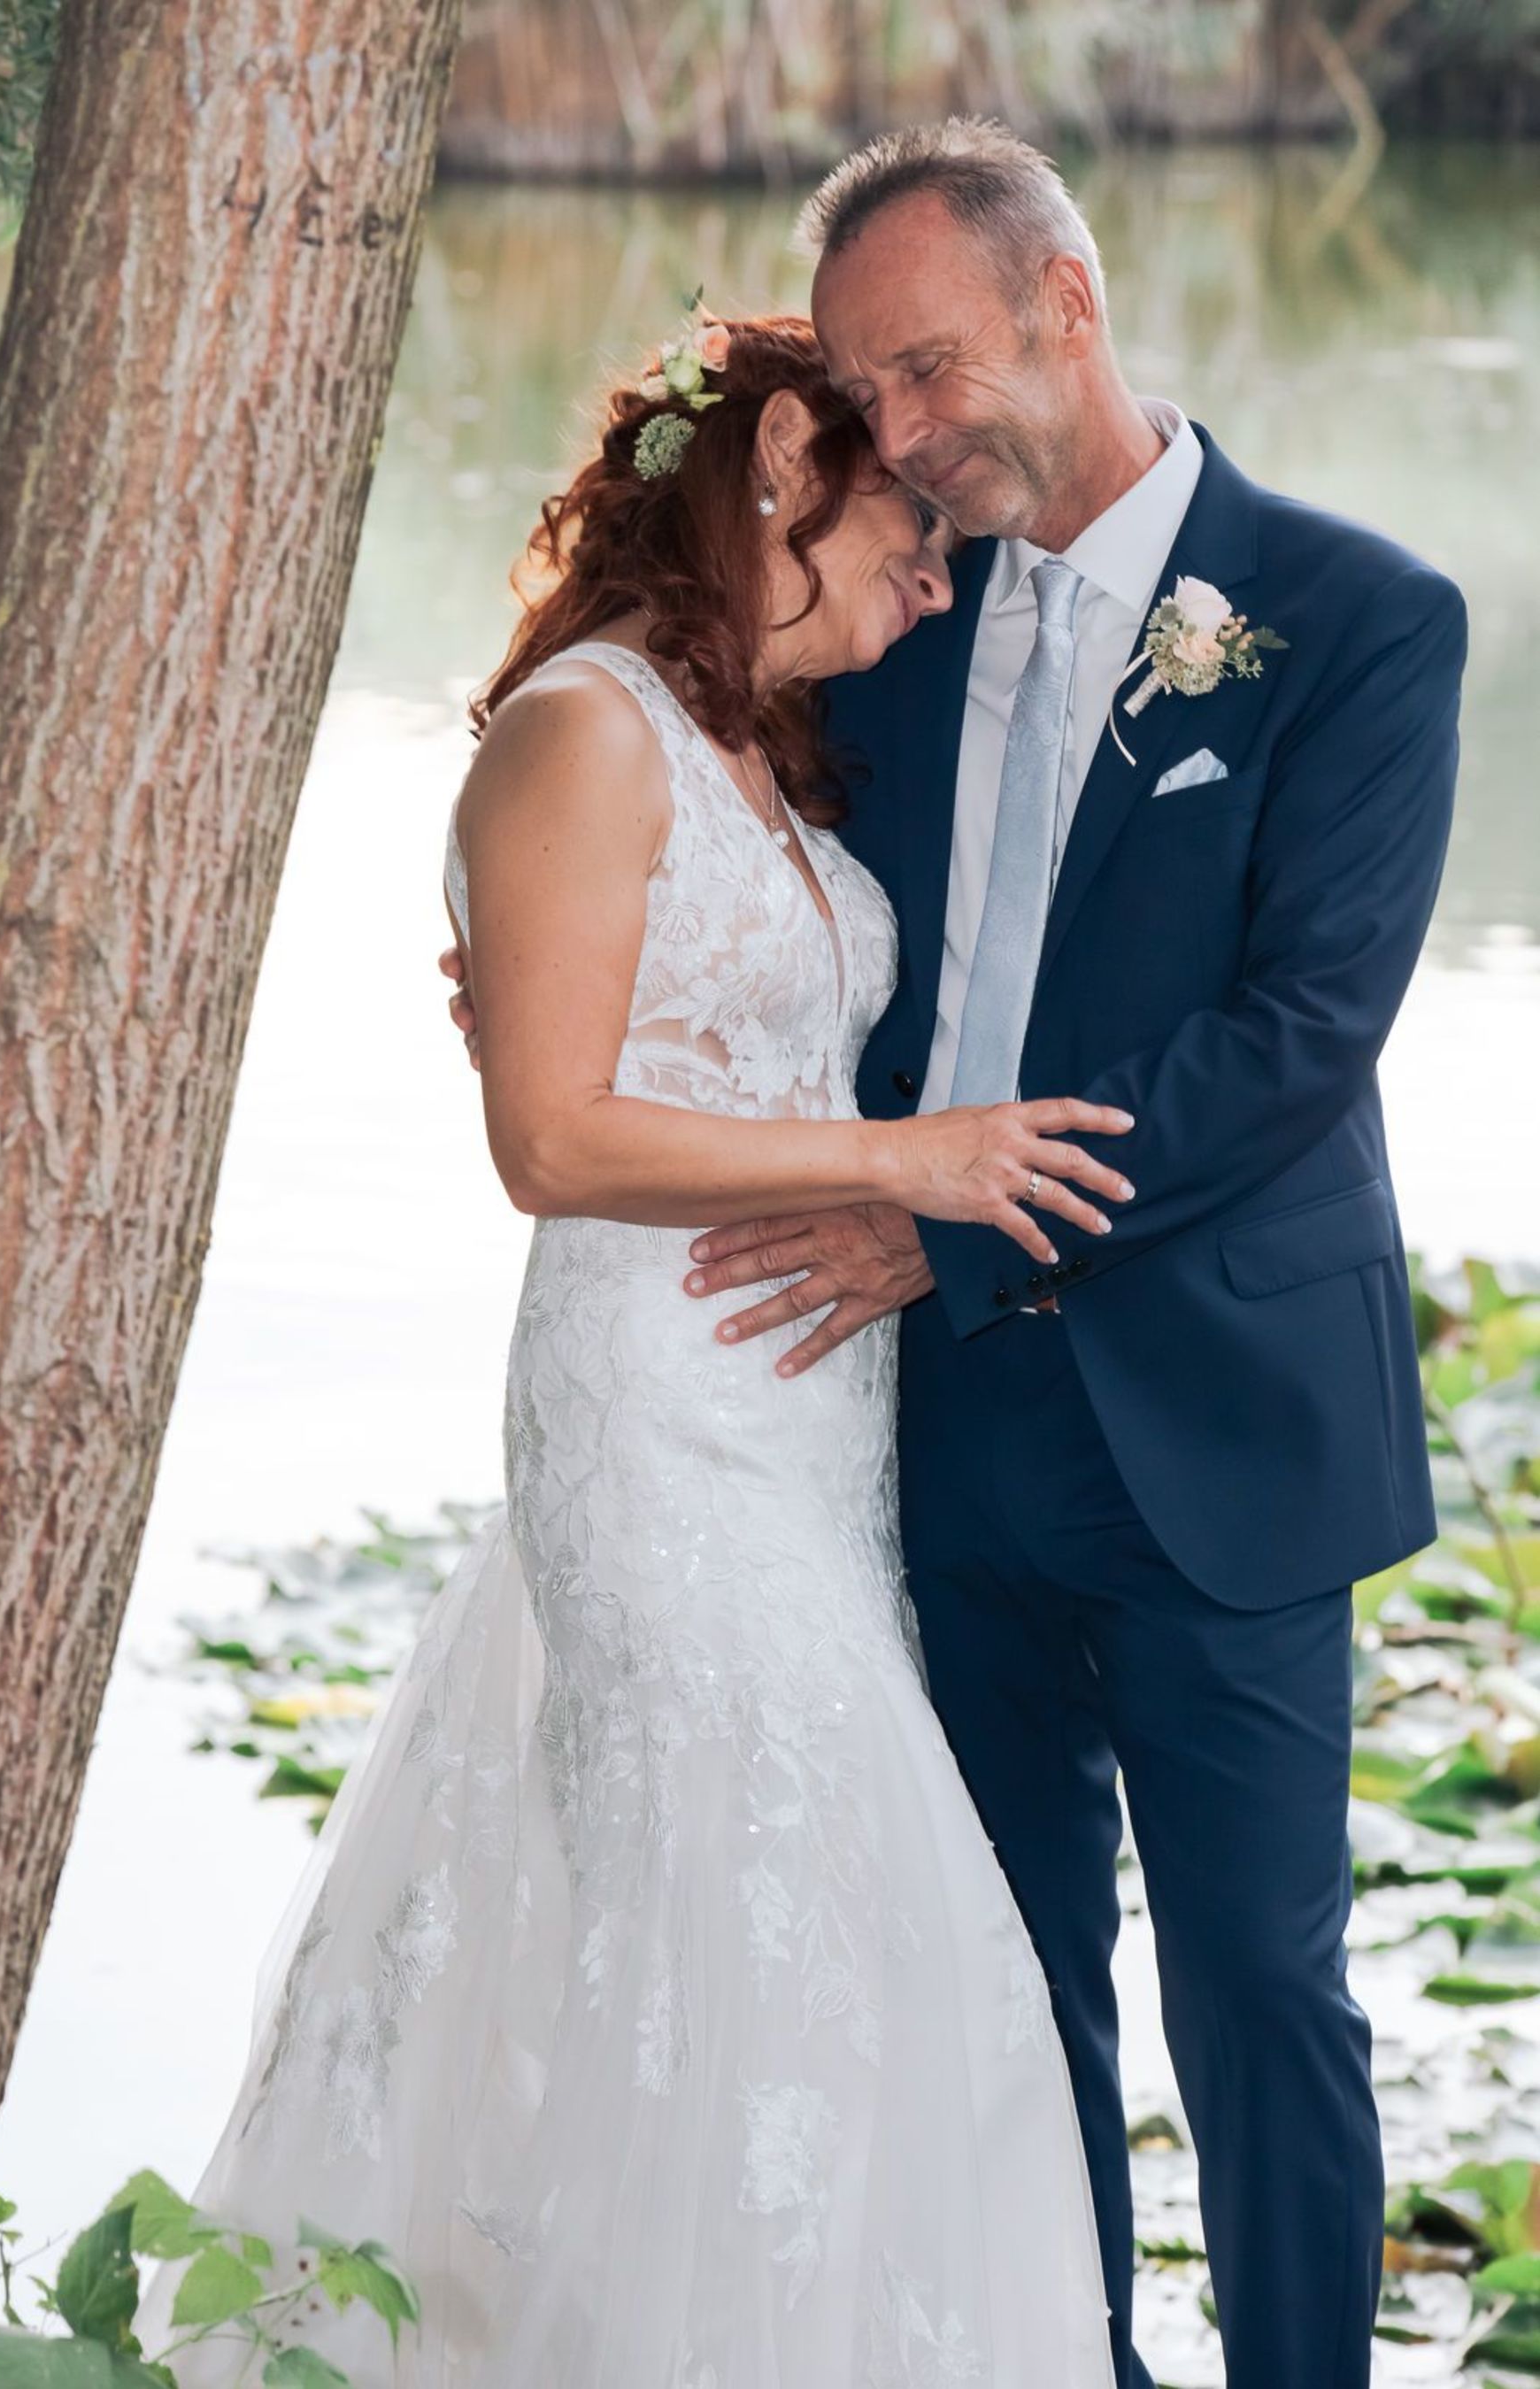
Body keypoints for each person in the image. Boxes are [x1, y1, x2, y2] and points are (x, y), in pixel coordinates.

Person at [495, 119, 1459, 2389]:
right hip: (923, 1441)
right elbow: (651, 801)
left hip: (1218, 1421)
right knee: (1004, 1995)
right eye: (868, 395)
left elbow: (1298, 1041)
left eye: (932, 371)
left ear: (1068, 305)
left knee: (1265, 1994)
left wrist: (949, 1224)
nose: (908, 438)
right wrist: (515, 964)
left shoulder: (1359, 618)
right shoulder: (884, 627)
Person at [137, 309, 1134, 2387]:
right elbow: (552, 1139)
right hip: (658, 1429)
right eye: (906, 528)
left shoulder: (754, 746)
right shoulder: (580, 731)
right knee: (759, 1930)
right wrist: (904, 1158)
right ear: (780, 462)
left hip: (809, 1445)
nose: (933, 576)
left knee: (804, 1957)